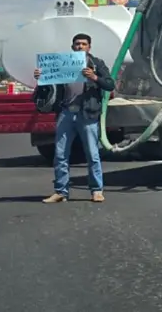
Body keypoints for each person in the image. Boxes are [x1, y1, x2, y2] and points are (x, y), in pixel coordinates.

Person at [33, 33, 115, 203]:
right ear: (72, 47)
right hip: (66, 113)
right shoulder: (62, 63)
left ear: (89, 47)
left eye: (84, 44)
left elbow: (109, 84)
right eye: (77, 44)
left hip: (88, 113)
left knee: (92, 154)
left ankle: (96, 190)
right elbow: (49, 85)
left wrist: (94, 77)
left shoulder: (96, 63)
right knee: (61, 154)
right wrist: (41, 77)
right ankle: (61, 192)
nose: (80, 46)